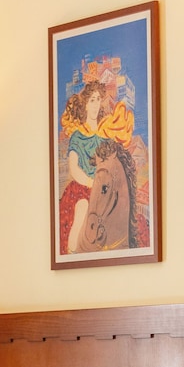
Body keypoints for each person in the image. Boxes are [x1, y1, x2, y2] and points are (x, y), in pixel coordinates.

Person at [59, 80, 133, 253]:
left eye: (98, 99)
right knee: (83, 208)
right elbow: (74, 167)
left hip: (104, 188)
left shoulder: (105, 134)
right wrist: (91, 182)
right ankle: (72, 251)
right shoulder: (77, 136)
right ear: (85, 104)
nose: (95, 104)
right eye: (92, 100)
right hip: (83, 188)